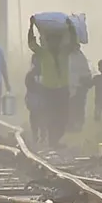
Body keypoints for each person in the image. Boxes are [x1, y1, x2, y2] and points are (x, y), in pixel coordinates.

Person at [28, 16, 76, 148]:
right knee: (51, 116)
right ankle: (53, 141)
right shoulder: (43, 53)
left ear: (60, 42)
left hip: (63, 89)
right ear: (48, 42)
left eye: (56, 41)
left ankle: (56, 139)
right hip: (48, 90)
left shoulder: (65, 52)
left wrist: (71, 27)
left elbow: (73, 43)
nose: (54, 43)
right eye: (51, 41)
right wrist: (31, 27)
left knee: (64, 117)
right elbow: (31, 43)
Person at [68, 43, 92, 131]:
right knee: (70, 107)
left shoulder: (80, 57)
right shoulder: (65, 55)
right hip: (68, 86)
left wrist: (85, 81)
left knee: (79, 107)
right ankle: (70, 124)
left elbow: (85, 72)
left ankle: (78, 125)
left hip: (79, 87)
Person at [24, 55, 44, 144]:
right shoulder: (30, 75)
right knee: (35, 118)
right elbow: (29, 86)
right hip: (34, 99)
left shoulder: (46, 73)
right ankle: (35, 135)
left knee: (43, 118)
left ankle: (43, 135)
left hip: (42, 99)